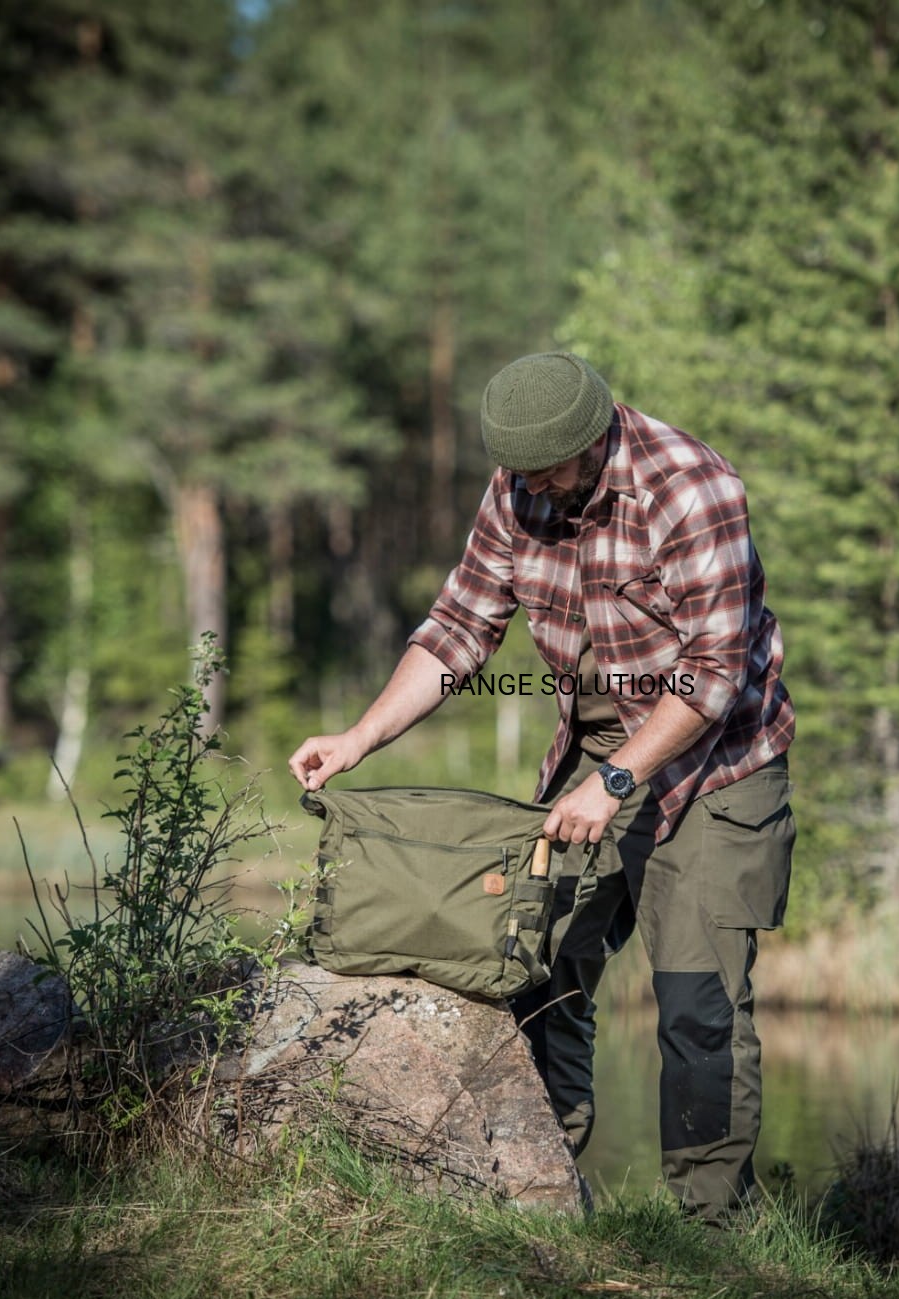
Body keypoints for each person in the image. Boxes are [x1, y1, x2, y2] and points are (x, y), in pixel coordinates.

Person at [290, 351, 795, 1223]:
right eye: (517, 472)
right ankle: (542, 1195)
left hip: (717, 765)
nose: (529, 488)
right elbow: (459, 626)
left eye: (546, 470)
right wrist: (359, 736)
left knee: (698, 1006)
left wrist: (616, 779)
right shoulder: (520, 487)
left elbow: (713, 676)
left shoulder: (690, 488)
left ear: (594, 438)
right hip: (596, 754)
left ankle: (715, 1229)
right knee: (534, 966)